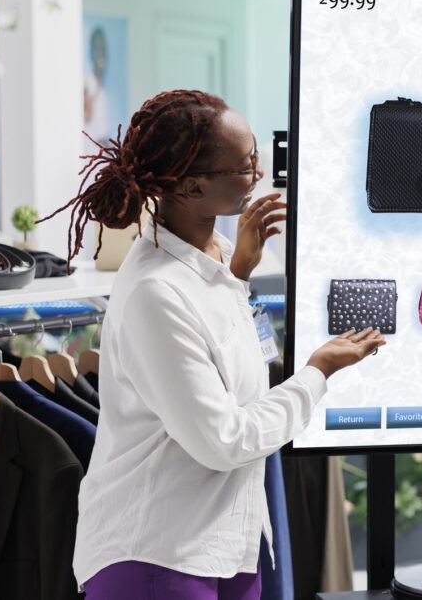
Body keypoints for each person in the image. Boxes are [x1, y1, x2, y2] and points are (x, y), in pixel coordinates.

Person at [41, 90, 385, 599]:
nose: (260, 174)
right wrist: (316, 373)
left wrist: (238, 272)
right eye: (245, 165)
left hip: (227, 543)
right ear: (191, 186)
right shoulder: (154, 292)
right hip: (157, 556)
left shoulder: (217, 258)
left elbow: (225, 364)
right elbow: (222, 440)